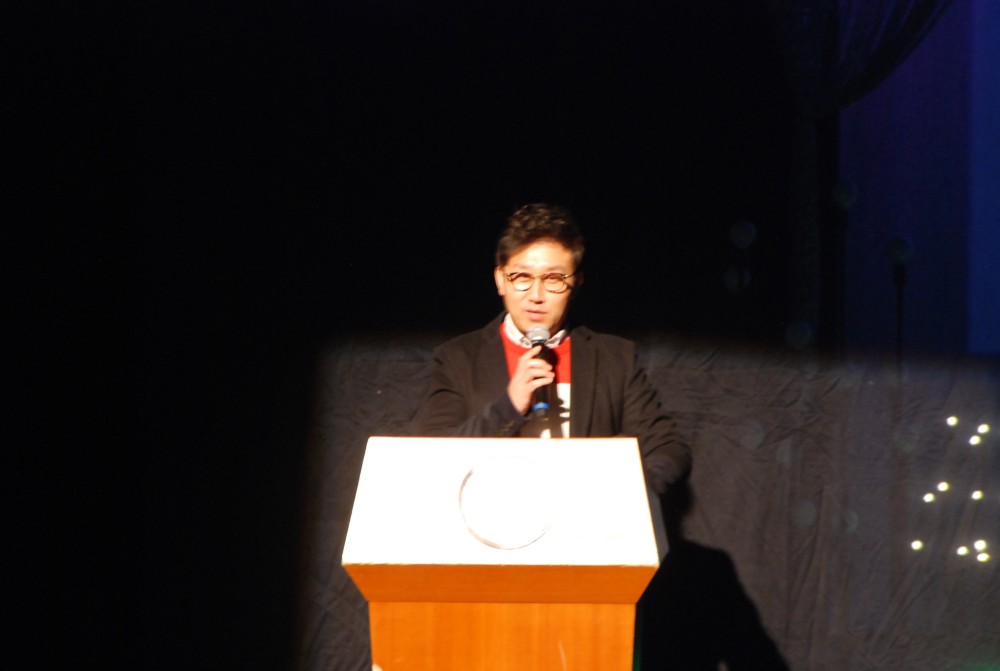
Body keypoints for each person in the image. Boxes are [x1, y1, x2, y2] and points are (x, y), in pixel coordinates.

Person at [412, 203, 690, 494]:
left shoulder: (615, 359)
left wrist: (621, 494)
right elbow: (432, 456)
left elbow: (668, 449)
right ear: (500, 280)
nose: (536, 295)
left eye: (553, 279)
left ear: (576, 284)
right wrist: (509, 406)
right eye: (522, 277)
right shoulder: (458, 358)